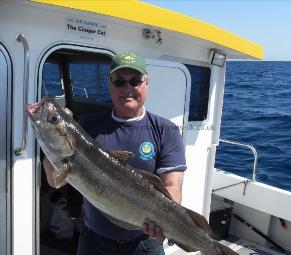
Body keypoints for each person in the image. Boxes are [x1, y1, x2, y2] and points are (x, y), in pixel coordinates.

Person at [42, 52, 187, 255]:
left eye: (135, 81)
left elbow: (172, 186)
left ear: (147, 83)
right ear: (110, 84)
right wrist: (49, 148)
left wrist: (163, 221)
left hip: (144, 244)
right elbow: (55, 181)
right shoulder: (88, 126)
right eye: (120, 81)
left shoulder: (166, 130)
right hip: (93, 241)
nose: (127, 88)